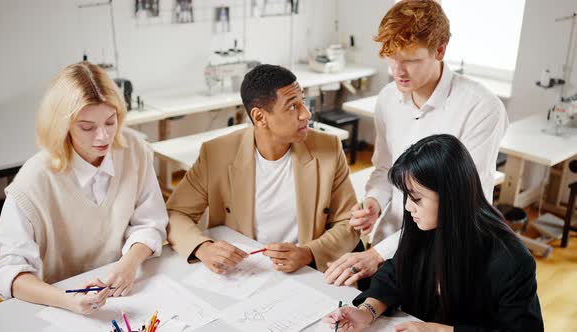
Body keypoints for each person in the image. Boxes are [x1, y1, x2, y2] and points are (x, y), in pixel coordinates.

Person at [325, 0, 508, 287]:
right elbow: (384, 168)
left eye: (410, 59)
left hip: (440, 254)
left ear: (440, 50)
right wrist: (374, 201)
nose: (398, 71)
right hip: (386, 245)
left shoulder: (481, 107)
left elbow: (462, 204)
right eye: (391, 58)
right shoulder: (388, 98)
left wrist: (377, 254)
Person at [0, 62, 168, 314]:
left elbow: (150, 223)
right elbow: (6, 271)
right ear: (63, 126)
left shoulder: (134, 150)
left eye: (110, 121)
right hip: (58, 306)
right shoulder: (34, 179)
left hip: (124, 296)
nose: (103, 137)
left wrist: (129, 263)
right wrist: (67, 300)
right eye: (87, 127)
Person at [323, 134, 543, 332]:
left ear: (451, 197)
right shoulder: (426, 229)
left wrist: (441, 331)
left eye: (417, 199)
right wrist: (365, 312)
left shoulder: (511, 261)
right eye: (407, 196)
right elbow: (394, 275)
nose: (409, 207)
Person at [166, 64, 360, 274]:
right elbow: (176, 213)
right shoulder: (216, 153)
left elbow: (348, 223)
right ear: (259, 117)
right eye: (292, 106)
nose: (306, 114)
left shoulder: (328, 148)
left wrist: (308, 252)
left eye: (302, 102)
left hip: (306, 273)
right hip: (243, 272)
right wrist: (202, 248)